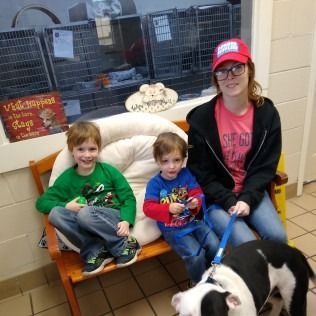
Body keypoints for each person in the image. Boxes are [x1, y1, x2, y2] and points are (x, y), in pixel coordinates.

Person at [186, 38, 288, 247]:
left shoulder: (267, 114)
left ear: (249, 70)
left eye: (237, 68)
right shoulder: (201, 120)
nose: (229, 76)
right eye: (221, 71)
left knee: (278, 238)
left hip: (253, 191)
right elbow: (201, 174)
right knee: (247, 244)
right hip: (217, 198)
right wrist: (229, 200)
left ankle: (270, 277)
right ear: (215, 78)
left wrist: (247, 198)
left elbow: (265, 167)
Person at [36, 121, 141, 276]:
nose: (87, 155)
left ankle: (125, 244)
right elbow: (41, 203)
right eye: (81, 149)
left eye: (92, 149)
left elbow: (128, 197)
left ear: (98, 149)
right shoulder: (66, 179)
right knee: (55, 214)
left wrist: (126, 219)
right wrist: (66, 206)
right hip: (87, 224)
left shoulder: (108, 171)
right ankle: (97, 251)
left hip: (113, 219)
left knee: (85, 214)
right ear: (72, 151)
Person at [143, 132, 219, 285]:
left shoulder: (186, 174)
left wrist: (194, 202)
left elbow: (197, 192)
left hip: (194, 221)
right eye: (165, 161)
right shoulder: (155, 183)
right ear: (157, 161)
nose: (172, 166)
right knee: (196, 255)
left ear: (183, 159)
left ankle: (214, 275)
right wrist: (168, 208)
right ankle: (198, 283)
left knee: (215, 245)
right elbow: (148, 208)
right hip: (173, 229)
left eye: (177, 160)